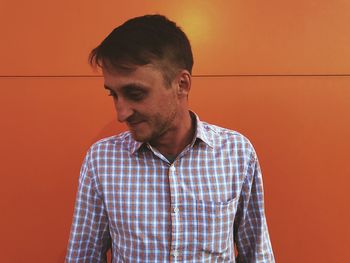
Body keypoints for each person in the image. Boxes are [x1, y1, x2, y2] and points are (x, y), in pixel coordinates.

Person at [66, 14, 275, 262]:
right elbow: (84, 257)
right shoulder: (101, 160)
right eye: (114, 95)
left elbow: (257, 254)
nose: (121, 113)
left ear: (182, 84)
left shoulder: (236, 153)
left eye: (135, 93)